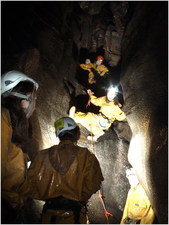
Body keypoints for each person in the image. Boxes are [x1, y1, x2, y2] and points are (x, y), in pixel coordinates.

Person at [28, 117, 104, 224]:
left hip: (48, 216)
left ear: (58, 135)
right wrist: (80, 197)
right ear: (77, 133)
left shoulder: (41, 156)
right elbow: (94, 184)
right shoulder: (87, 156)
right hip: (75, 216)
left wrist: (48, 196)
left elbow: (29, 186)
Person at [1, 70, 39, 222]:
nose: (35, 106)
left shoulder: (9, 126)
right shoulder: (1, 120)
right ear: (25, 100)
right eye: (34, 99)